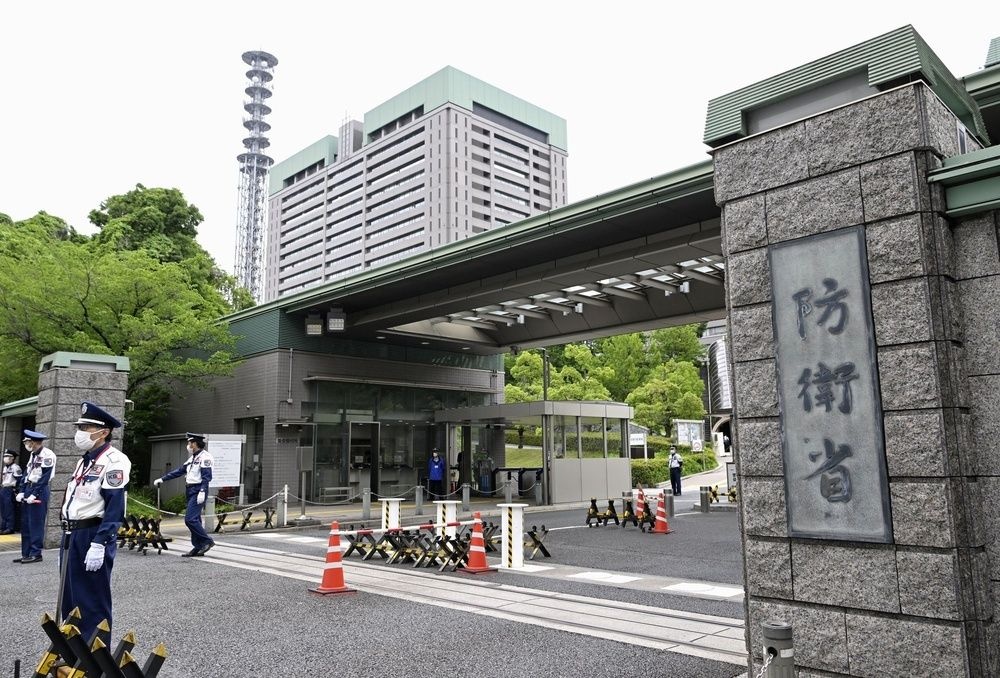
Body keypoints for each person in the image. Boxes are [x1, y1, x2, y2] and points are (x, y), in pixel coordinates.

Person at [59, 401, 131, 642]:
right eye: (80, 427)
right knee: (70, 597)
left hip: (92, 533)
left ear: (104, 432)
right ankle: (73, 649)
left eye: (86, 427)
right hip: (71, 533)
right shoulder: (84, 460)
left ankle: (94, 654)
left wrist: (100, 542)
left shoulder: (115, 460)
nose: (80, 432)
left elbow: (115, 506)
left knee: (92, 598)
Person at [153, 433, 215, 557]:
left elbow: (206, 477)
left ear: (195, 443)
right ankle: (198, 546)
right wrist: (163, 479)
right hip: (190, 489)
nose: (188, 445)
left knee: (190, 519)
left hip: (198, 490)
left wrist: (202, 491)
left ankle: (207, 541)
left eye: (189, 443)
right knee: (196, 520)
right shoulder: (193, 458)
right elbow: (180, 471)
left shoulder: (205, 457)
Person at [15, 429, 56, 564]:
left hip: (39, 490)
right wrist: (22, 490)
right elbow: (27, 473)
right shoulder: (33, 454)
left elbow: (45, 477)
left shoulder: (48, 455)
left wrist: (34, 494)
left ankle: (36, 553)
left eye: (27, 442)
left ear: (33, 442)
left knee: (35, 523)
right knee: (26, 523)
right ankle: (26, 553)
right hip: (29, 487)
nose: (26, 445)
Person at [1, 449, 22, 534]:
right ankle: (3, 527)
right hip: (4, 488)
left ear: (13, 458)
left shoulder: (15, 467)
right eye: (5, 456)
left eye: (8, 456)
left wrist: (17, 490)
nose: (5, 458)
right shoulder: (5, 467)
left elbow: (19, 480)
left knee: (9, 509)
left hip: (10, 489)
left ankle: (10, 527)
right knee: (3, 509)